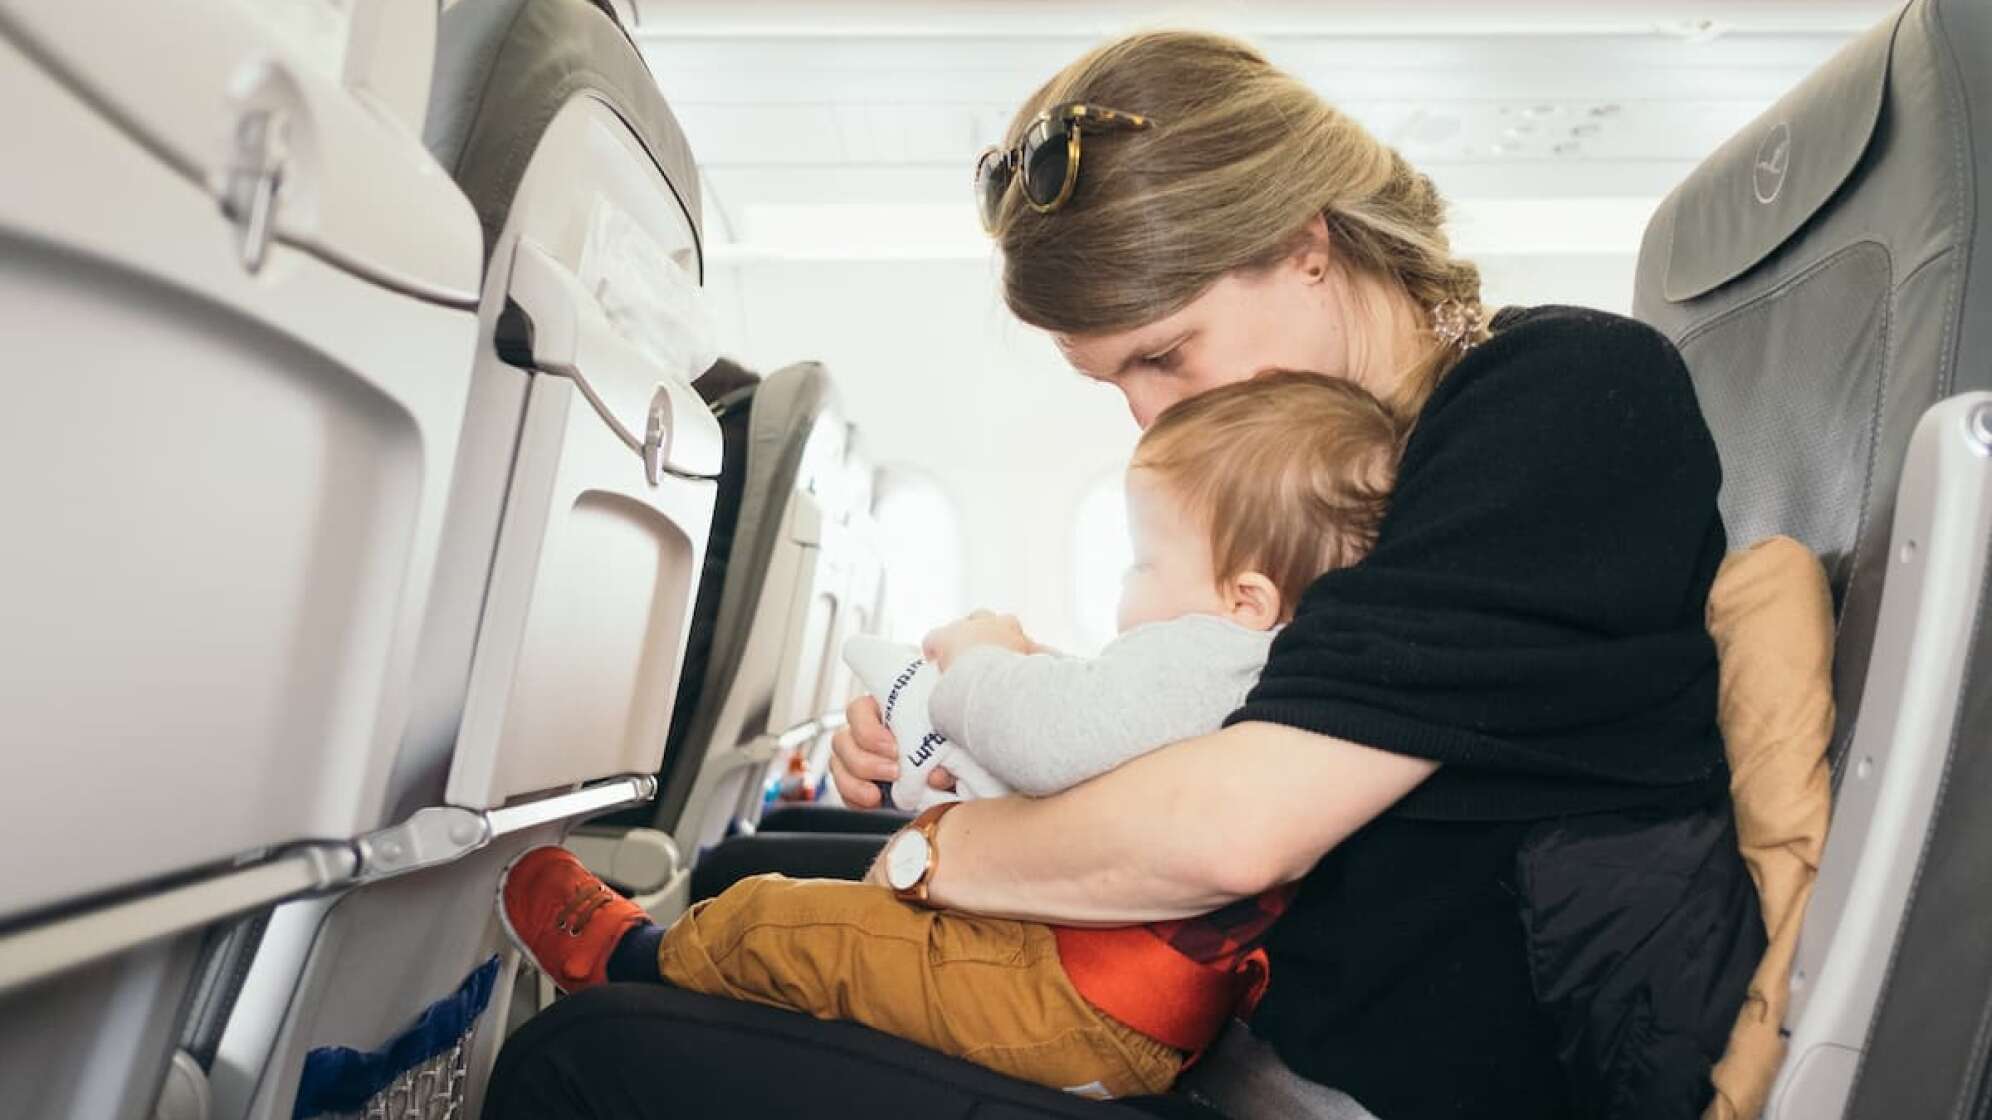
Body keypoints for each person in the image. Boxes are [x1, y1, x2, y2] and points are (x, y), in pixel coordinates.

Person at [485, 29, 1763, 1120]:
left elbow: (1231, 826)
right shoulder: (1324, 466)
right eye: (1115, 385)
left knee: (582, 1066)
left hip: (1321, 1086)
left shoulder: (1559, 400)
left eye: (1166, 354)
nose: (1150, 424)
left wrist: (944, 849)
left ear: (1307, 243)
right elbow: (1244, 710)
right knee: (732, 886)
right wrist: (965, 726)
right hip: (1213, 1038)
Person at [496, 373, 1403, 1100]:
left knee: (788, 921)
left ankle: (632, 962)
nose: (1128, 590)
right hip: (1116, 1004)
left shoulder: (1212, 652)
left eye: (1142, 562)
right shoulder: (1262, 663)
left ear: (1245, 595)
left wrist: (977, 660)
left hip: (1072, 996)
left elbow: (1052, 738)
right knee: (845, 930)